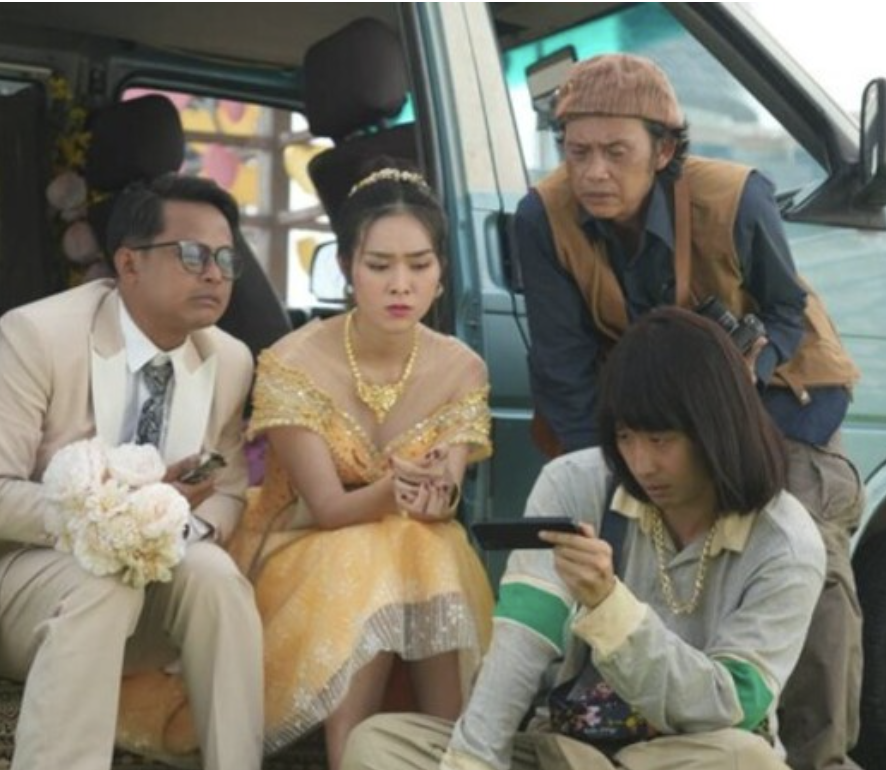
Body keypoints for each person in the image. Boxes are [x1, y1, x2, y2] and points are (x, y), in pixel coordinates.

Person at [513, 52, 863, 770]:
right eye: (577, 152)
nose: (593, 172)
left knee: (806, 550)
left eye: (616, 152)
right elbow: (562, 367)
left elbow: (786, 309)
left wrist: (739, 375)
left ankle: (819, 758)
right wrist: (605, 477)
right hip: (652, 418)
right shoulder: (542, 216)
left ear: (665, 150)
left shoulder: (736, 197)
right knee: (618, 542)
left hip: (776, 402)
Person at [116, 164, 496, 770]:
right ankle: (353, 757)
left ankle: (451, 753)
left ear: (441, 272)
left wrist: (434, 498)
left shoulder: (461, 367)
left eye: (419, 265)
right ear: (346, 267)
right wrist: (397, 490)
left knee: (429, 541)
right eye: (380, 265)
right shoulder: (294, 361)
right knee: (375, 548)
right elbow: (328, 508)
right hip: (297, 541)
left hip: (407, 547)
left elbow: (444, 496)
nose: (401, 285)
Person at [341, 306, 827, 770]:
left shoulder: (786, 543)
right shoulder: (575, 481)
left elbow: (730, 706)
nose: (641, 464)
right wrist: (476, 759)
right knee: (378, 745)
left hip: (686, 755)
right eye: (626, 438)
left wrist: (610, 607)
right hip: (564, 750)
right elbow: (522, 637)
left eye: (661, 440)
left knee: (745, 760)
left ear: (715, 428)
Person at [0, 173, 263, 770]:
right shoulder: (37, 335)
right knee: (103, 582)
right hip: (25, 585)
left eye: (226, 259)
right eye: (192, 254)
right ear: (128, 263)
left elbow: (229, 492)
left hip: (147, 595)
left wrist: (170, 523)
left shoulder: (229, 359)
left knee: (217, 578)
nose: (215, 274)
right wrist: (119, 511)